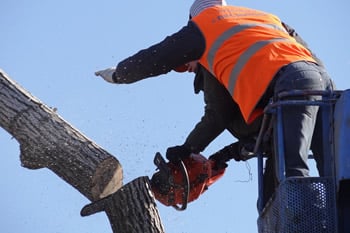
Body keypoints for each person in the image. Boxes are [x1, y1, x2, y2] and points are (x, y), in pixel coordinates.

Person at [96, 0, 333, 186]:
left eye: (187, 63)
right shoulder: (263, 20)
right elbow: (313, 62)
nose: (188, 69)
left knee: (291, 172)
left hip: (289, 87)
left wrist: (120, 74)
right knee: (332, 174)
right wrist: (225, 155)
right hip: (320, 85)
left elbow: (158, 58)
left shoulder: (203, 29)